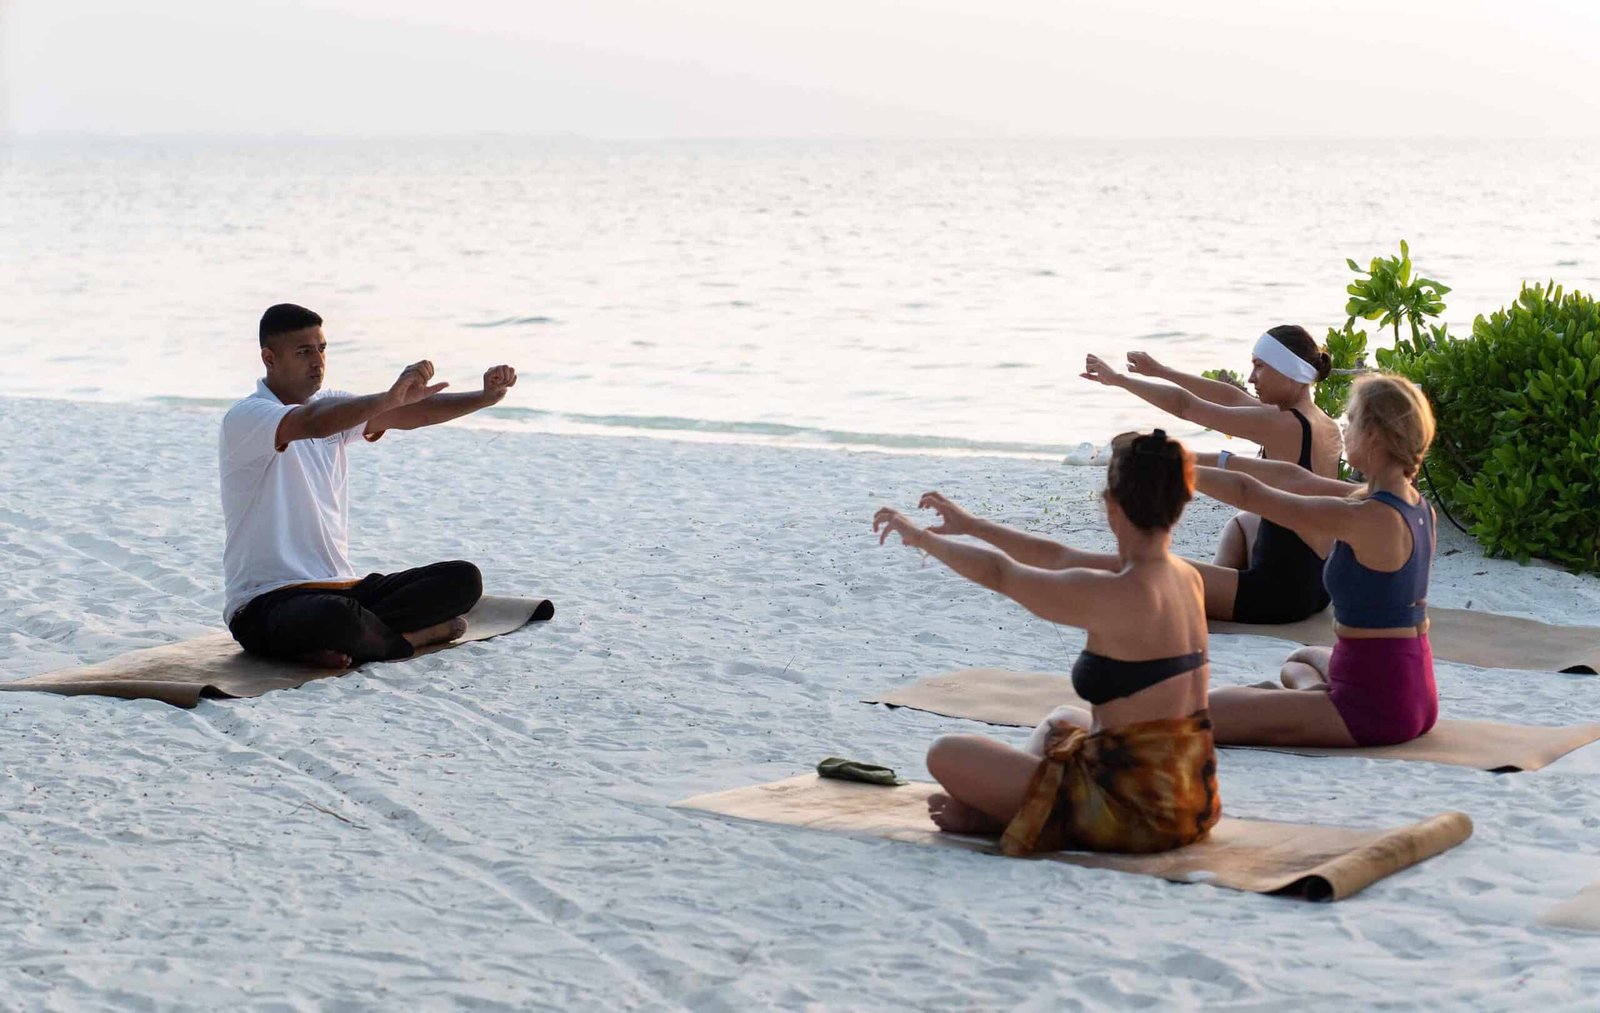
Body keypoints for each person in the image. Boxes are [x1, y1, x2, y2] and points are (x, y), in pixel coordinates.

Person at [872, 430, 1219, 857]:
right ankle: (1008, 808)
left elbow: (1002, 575)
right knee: (1063, 719)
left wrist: (921, 538)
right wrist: (972, 526)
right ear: (1179, 504)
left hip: (1132, 815)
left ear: (1111, 504)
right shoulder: (1185, 576)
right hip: (1191, 800)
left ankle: (1004, 813)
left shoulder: (1115, 592)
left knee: (945, 753)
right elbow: (1059, 558)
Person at [220, 303, 518, 668]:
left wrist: (483, 398)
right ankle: (411, 639)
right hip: (265, 602)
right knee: (334, 617)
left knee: (462, 579)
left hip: (342, 588)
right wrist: (387, 397)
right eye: (303, 352)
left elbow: (410, 414)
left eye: (322, 349)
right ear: (270, 358)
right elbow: (313, 422)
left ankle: (350, 640)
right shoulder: (247, 417)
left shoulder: (333, 405)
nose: (317, 361)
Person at [1196, 374, 1438, 747]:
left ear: (1373, 435)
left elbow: (1251, 495)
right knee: (1300, 659)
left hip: (1373, 707)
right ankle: (1301, 704)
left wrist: (1176, 470)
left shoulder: (1367, 517)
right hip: (1416, 691)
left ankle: (1296, 708)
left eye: (1351, 421)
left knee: (1199, 715)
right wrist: (1206, 459)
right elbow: (1295, 479)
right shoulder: (1417, 507)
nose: (1344, 429)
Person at [1080, 325, 1342, 624]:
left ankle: (1214, 595)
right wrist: (1161, 371)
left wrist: (1119, 380)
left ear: (1289, 371)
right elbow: (1231, 397)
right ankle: (1219, 586)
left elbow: (1186, 407)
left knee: (1141, 572)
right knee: (1243, 523)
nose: (1252, 378)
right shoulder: (1323, 423)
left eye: (1260, 367)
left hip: (1279, 595)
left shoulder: (1283, 424)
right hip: (1319, 584)